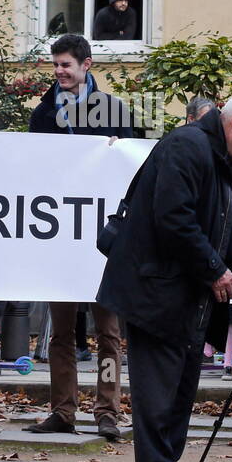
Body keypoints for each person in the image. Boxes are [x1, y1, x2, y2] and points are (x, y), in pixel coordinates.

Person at [96, 95, 232, 462]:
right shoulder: (188, 146)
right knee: (159, 392)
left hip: (183, 294)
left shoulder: (222, 160)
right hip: (155, 293)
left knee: (179, 390)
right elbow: (173, 218)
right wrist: (215, 270)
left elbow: (227, 227)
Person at [27, 34, 138, 438]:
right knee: (60, 332)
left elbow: (134, 165)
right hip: (61, 238)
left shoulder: (114, 111)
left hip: (105, 239)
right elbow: (32, 169)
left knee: (108, 331)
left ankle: (107, 410)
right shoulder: (42, 114)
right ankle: (63, 410)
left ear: (86, 65)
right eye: (55, 65)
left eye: (66, 65)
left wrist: (118, 148)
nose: (59, 72)